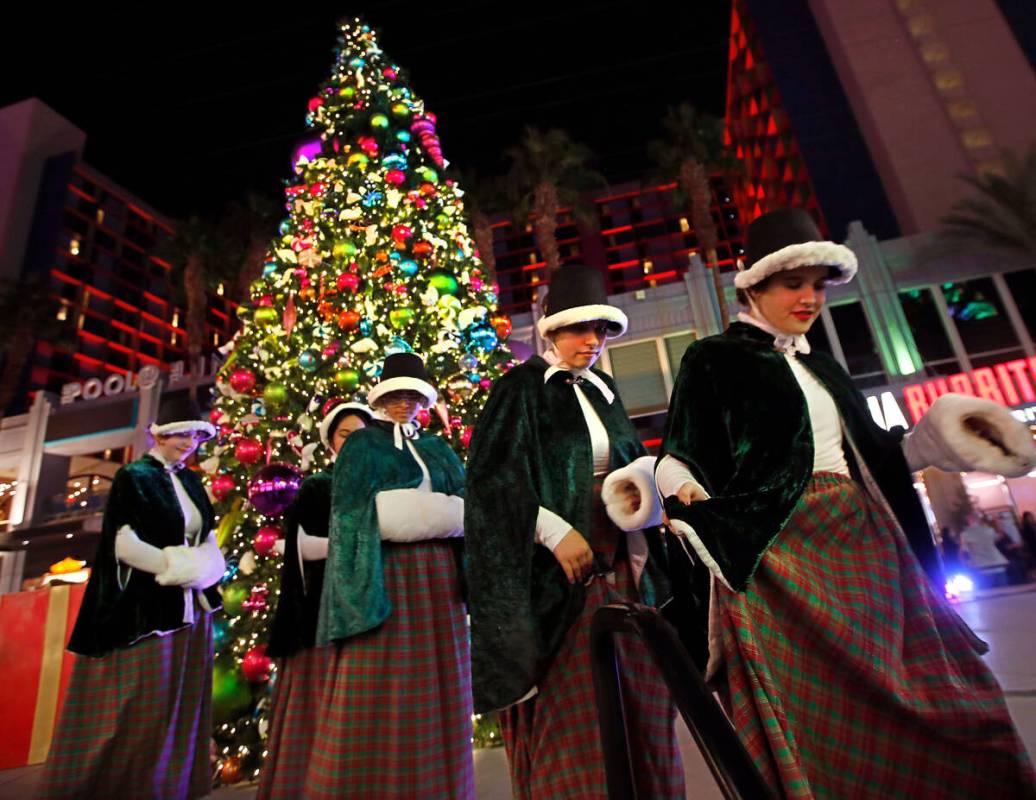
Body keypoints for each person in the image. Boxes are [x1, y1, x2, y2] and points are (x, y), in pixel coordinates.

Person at [657, 207, 1036, 799]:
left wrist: (937, 439)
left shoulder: (823, 366)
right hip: (780, 553)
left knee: (940, 686)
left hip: (866, 541)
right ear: (754, 283)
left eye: (818, 285)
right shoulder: (713, 358)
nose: (809, 297)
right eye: (793, 283)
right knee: (815, 707)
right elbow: (681, 454)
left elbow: (876, 459)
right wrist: (685, 492)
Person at [466, 264, 685, 799]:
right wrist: (553, 531)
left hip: (622, 569)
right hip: (556, 586)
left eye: (602, 330)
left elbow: (631, 460)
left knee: (643, 703)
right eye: (581, 329)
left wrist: (646, 494)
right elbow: (491, 483)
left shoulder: (605, 389)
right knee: (578, 713)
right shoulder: (518, 391)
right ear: (552, 328)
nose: (593, 341)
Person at [38, 395, 225, 800]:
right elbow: (123, 543)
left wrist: (211, 566)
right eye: (180, 433)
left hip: (193, 609)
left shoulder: (192, 480)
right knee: (140, 708)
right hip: (146, 608)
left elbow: (206, 534)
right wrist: (181, 569)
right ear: (159, 433)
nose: (188, 441)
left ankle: (169, 788)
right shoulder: (134, 476)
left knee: (182, 703)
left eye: (195, 433)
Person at [306, 353, 474, 799]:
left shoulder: (438, 448)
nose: (406, 403)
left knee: (442, 682)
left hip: (441, 579)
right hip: (387, 576)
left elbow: (467, 504)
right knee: (384, 682)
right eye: (397, 395)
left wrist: (445, 516)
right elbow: (349, 514)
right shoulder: (363, 446)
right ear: (382, 397)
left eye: (414, 395)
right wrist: (428, 513)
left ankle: (440, 785)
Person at [258, 400, 371, 799]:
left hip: (366, 603)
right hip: (324, 605)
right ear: (331, 442)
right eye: (345, 434)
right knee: (321, 699)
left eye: (361, 434)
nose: (354, 441)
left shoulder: (379, 480)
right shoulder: (319, 486)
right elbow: (301, 548)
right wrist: (360, 544)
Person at [960, 513, 1010, 587]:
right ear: (979, 520)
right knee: (1004, 593)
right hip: (997, 565)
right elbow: (1000, 535)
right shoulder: (989, 530)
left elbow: (964, 552)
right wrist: (997, 522)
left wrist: (966, 565)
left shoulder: (965, 535)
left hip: (981, 567)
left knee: (987, 595)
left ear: (968, 521)